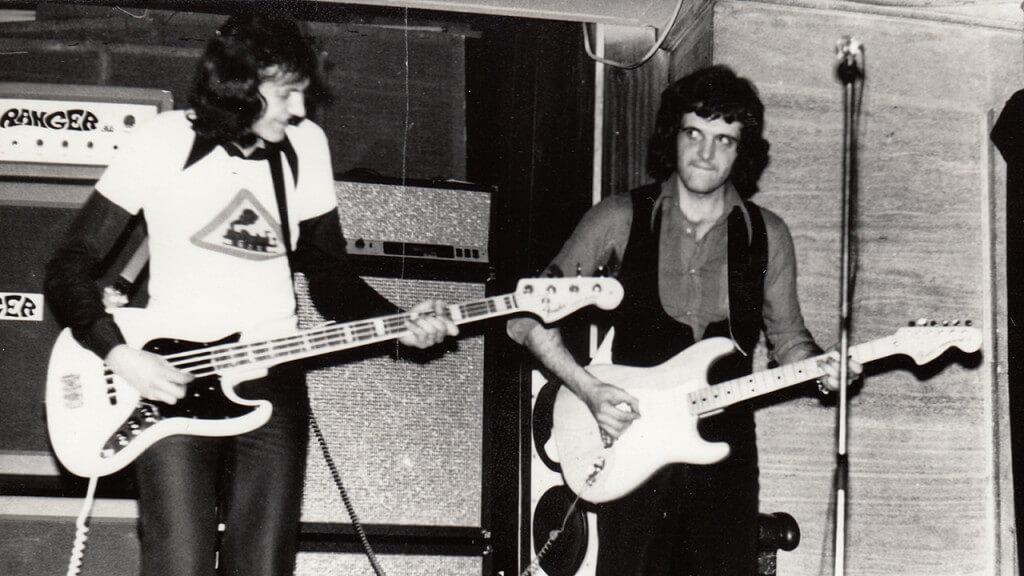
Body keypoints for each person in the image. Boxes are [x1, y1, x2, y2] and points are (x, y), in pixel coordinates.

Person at [44, 13, 457, 576]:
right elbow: (67, 266)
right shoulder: (161, 141)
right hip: (169, 374)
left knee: (264, 566)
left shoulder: (305, 147)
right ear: (240, 86)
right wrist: (120, 355)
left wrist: (400, 323)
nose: (300, 109)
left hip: (271, 372)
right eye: (286, 94)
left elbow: (331, 280)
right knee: (179, 563)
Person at [508, 65, 860, 575]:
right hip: (633, 446)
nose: (706, 153)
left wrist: (826, 372)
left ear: (742, 152)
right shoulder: (619, 217)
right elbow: (524, 318)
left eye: (724, 140)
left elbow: (790, 341)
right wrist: (588, 390)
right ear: (672, 136)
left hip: (726, 457)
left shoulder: (768, 235)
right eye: (694, 133)